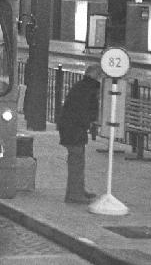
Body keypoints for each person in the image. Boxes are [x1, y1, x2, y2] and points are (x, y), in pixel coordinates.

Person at [57, 64, 103, 204]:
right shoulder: (89, 89)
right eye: (99, 75)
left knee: (78, 160)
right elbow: (85, 111)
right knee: (76, 161)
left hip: (71, 128)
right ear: (95, 76)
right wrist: (90, 122)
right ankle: (74, 194)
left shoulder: (82, 86)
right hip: (74, 129)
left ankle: (77, 190)